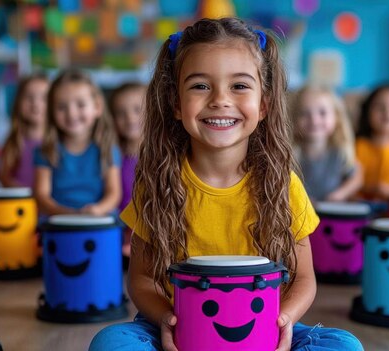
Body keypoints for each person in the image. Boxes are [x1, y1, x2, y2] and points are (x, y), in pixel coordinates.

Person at [90, 18, 362, 351]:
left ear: (263, 105)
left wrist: (282, 323)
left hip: (264, 325)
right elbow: (142, 280)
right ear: (176, 103)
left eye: (239, 86)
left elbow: (304, 279)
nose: (220, 100)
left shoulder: (282, 185)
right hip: (179, 327)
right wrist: (169, 321)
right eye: (200, 86)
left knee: (344, 345)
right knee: (110, 343)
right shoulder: (158, 184)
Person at [33, 69, 121, 217]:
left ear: (97, 107)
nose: (71, 113)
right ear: (51, 112)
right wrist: (67, 214)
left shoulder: (107, 149)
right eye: (61, 107)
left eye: (80, 105)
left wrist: (97, 210)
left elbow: (114, 193)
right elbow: (41, 196)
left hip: (98, 222)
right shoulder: (46, 151)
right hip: (58, 223)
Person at [293, 86, 362, 202]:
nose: (314, 120)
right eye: (305, 113)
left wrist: (340, 194)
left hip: (333, 212)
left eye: (322, 113)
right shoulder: (292, 154)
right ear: (294, 119)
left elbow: (357, 177)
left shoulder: (340, 152)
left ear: (336, 117)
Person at [108, 82, 146, 260]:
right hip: (121, 227)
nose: (130, 118)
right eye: (121, 113)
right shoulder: (114, 156)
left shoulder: (160, 155)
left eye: (137, 110)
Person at [0, 73, 49, 188]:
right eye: (28, 97)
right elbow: (4, 177)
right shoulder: (13, 141)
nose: (35, 103)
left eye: (44, 98)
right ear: (18, 102)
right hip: (21, 201)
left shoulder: (58, 142)